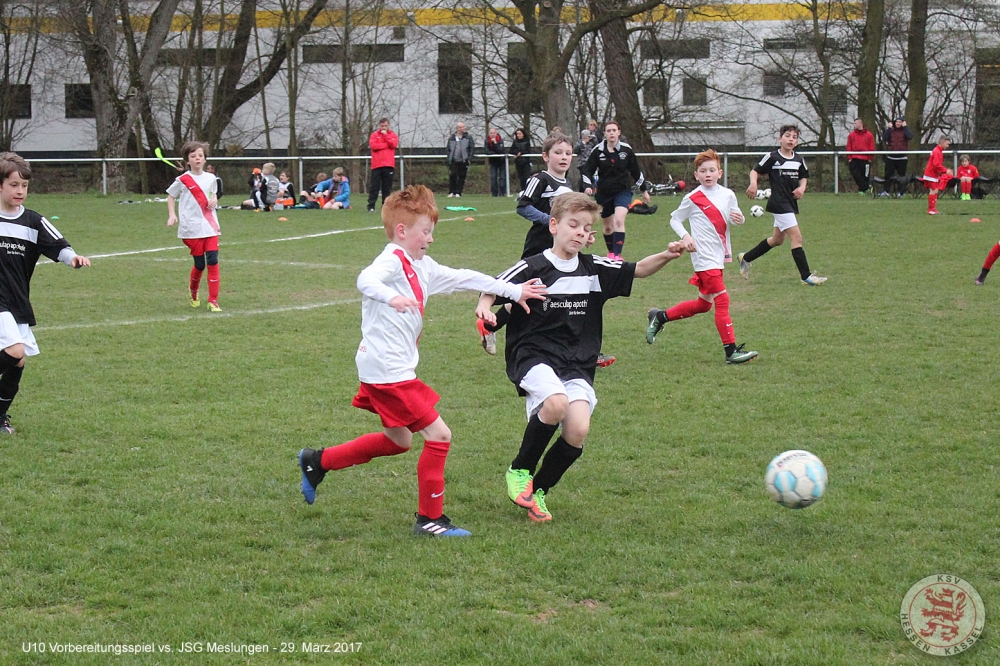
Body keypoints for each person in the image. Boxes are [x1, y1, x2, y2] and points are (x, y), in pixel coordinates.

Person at [297, 185, 546, 537]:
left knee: (398, 441)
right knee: (440, 435)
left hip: (385, 367)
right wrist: (391, 297)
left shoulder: (422, 265)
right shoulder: (392, 260)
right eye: (426, 231)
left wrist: (514, 290)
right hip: (388, 370)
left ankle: (317, 461)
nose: (431, 238)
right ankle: (430, 519)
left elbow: (464, 277)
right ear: (402, 231)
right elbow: (365, 279)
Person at [475, 192, 683, 522]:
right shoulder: (534, 266)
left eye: (586, 228)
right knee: (556, 403)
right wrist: (485, 308)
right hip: (533, 354)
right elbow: (492, 287)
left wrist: (668, 255)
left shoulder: (594, 268)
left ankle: (537, 491)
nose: (580, 232)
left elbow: (640, 269)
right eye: (573, 225)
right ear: (554, 226)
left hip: (576, 363)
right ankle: (520, 470)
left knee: (578, 429)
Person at [477, 132, 617, 368]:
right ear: (545, 157)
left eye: (568, 153)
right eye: (558, 153)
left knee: (563, 298)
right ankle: (499, 327)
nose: (564, 157)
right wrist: (551, 222)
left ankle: (582, 350)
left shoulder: (568, 185)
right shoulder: (540, 179)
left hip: (562, 251)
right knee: (531, 296)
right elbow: (523, 206)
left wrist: (582, 234)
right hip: (539, 249)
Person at [0, 152, 91, 435]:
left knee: (19, 360)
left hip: (17, 300)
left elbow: (58, 245)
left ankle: (0, 417)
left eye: (24, 185)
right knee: (14, 351)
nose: (20, 191)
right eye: (14, 185)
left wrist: (73, 258)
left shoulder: (32, 221)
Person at [645, 149, 758, 364]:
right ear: (696, 175)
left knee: (703, 305)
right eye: (703, 171)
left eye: (712, 170)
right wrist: (686, 236)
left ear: (719, 173)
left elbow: (733, 217)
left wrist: (740, 219)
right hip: (703, 257)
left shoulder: (728, 195)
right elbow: (675, 219)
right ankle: (731, 351)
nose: (708, 174)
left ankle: (660, 316)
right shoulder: (692, 198)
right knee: (722, 299)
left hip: (718, 255)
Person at [737, 124, 827, 286]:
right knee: (797, 238)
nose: (791, 139)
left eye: (794, 137)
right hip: (779, 203)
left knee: (777, 240)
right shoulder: (773, 157)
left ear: (797, 142)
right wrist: (753, 183)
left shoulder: (799, 159)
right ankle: (806, 276)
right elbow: (755, 171)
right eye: (787, 136)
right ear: (780, 139)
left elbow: (804, 176)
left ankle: (746, 258)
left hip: (790, 203)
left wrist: (802, 188)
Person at [581, 119, 650, 260]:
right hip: (604, 193)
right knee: (608, 227)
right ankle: (612, 252)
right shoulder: (598, 151)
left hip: (622, 191)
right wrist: (587, 186)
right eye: (609, 131)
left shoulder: (626, 150)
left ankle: (617, 255)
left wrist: (644, 190)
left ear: (619, 132)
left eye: (614, 130)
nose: (611, 133)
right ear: (604, 133)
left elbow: (636, 172)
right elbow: (587, 171)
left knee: (618, 220)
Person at [167, 141, 223, 312]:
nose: (197, 158)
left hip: (210, 226)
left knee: (213, 261)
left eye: (200, 155)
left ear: (205, 159)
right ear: (187, 160)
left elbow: (213, 193)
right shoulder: (182, 180)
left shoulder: (211, 178)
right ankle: (194, 292)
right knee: (200, 265)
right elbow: (170, 196)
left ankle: (213, 300)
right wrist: (172, 214)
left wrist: (214, 198)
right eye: (193, 156)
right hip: (191, 228)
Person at [367, 118, 398, 213]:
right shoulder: (374, 135)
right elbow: (373, 146)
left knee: (386, 187)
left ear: (388, 126)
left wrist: (386, 137)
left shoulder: (392, 135)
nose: (383, 128)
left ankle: (385, 206)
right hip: (376, 165)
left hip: (388, 165)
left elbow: (393, 145)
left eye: (385, 126)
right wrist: (385, 145)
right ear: (379, 126)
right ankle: (371, 206)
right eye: (382, 126)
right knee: (374, 187)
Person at [881, 118, 913, 197]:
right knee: (888, 175)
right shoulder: (891, 131)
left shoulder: (905, 131)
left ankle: (900, 192)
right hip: (891, 157)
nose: (898, 123)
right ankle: (886, 191)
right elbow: (884, 138)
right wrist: (889, 129)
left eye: (900, 122)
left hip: (902, 158)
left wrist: (905, 127)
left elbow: (910, 136)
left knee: (901, 176)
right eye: (897, 122)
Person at [923, 135, 953, 215]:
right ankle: (931, 209)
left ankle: (932, 209)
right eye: (947, 144)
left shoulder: (938, 151)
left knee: (934, 190)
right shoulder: (937, 151)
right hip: (931, 174)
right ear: (942, 142)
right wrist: (946, 170)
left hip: (932, 174)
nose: (947, 146)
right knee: (934, 190)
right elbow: (936, 164)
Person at [846, 118, 875, 195]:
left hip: (865, 159)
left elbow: (871, 147)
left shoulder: (869, 135)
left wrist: (870, 158)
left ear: (860, 124)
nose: (854, 125)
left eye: (855, 123)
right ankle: (865, 188)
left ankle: (862, 190)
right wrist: (849, 157)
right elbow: (849, 146)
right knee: (855, 174)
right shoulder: (851, 135)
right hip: (854, 158)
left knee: (865, 175)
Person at [446, 122, 474, 197]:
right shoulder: (452, 138)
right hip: (454, 160)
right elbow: (448, 149)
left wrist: (469, 159)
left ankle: (458, 192)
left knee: (462, 176)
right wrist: (449, 158)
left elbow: (471, 148)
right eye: (461, 127)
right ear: (457, 128)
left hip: (464, 160)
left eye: (463, 127)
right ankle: (451, 192)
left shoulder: (468, 137)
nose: (463, 128)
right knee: (453, 175)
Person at [485, 127, 506, 197]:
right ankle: (494, 194)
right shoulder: (487, 141)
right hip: (493, 162)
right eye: (491, 133)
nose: (492, 134)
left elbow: (501, 151)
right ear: (489, 134)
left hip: (501, 161)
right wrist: (494, 154)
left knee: (502, 177)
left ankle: (502, 193)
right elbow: (486, 151)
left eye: (494, 133)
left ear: (496, 133)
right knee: (493, 177)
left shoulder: (500, 140)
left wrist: (495, 143)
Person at [510, 128, 532, 192]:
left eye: (519, 134)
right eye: (517, 134)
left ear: (523, 134)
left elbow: (528, 151)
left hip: (526, 162)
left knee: (526, 177)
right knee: (521, 178)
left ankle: (528, 191)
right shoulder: (515, 142)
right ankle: (523, 191)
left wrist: (521, 153)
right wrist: (516, 153)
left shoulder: (527, 141)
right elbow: (511, 151)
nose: (518, 135)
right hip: (518, 163)